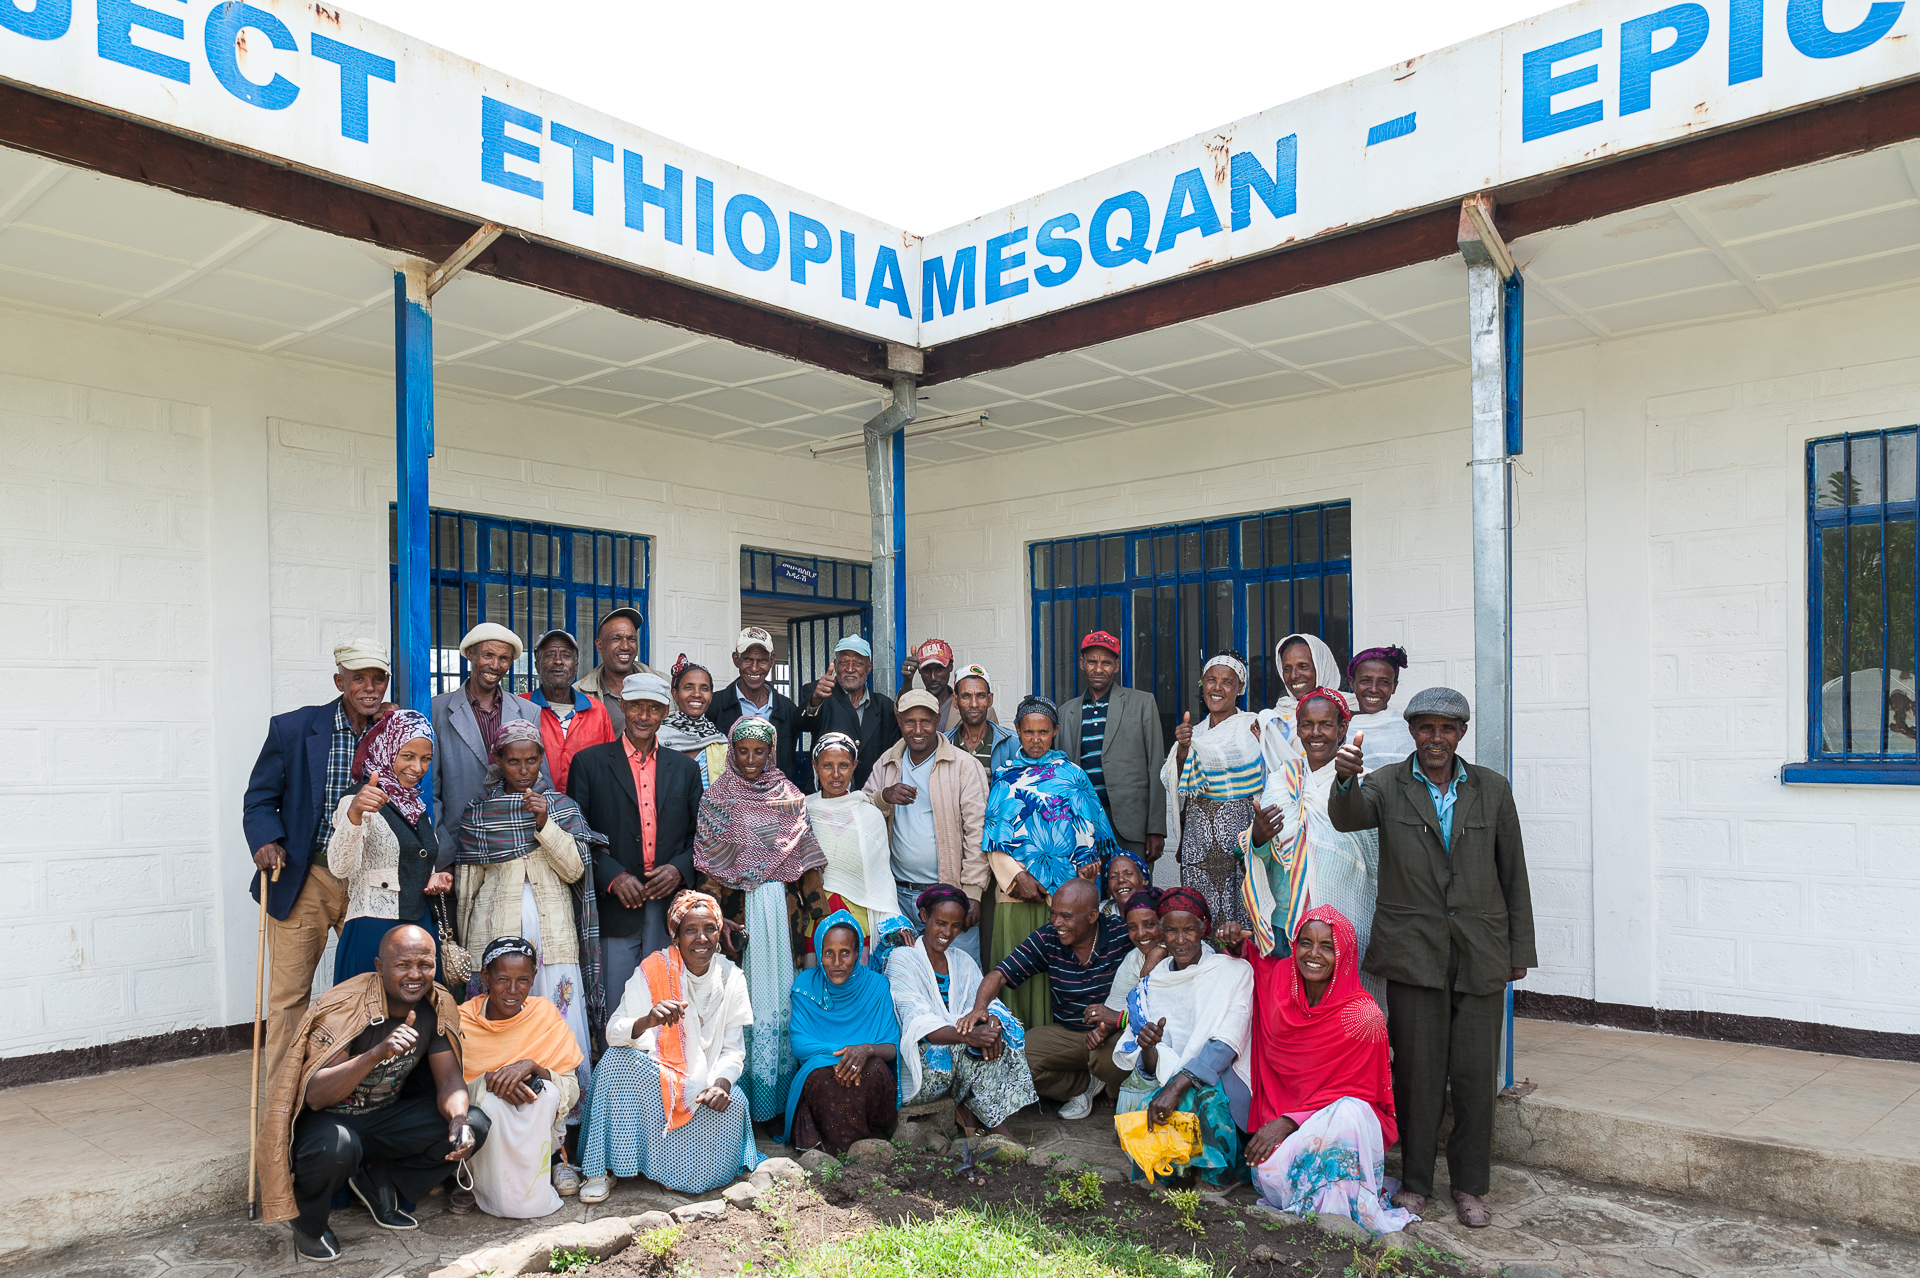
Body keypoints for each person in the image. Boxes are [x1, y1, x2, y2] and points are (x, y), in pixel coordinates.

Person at [1327, 686, 1536, 1230]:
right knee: (1418, 1075)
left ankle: (1469, 1185)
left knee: (1474, 1076)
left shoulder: (1492, 788)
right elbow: (1347, 817)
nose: (1435, 738)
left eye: (1446, 728)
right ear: (1413, 732)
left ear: (1461, 734)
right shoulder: (1385, 784)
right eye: (1426, 728)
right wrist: (1344, 778)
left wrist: (1519, 949)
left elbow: (1513, 871)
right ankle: (1416, 1182)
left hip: (1481, 951)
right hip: (1413, 951)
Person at [260, 925, 483, 1262]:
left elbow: (449, 1081)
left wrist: (458, 1119)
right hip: (329, 1123)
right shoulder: (345, 1007)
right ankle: (309, 1223)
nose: (415, 975)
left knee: (474, 1124)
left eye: (425, 965)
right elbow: (317, 1095)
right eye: (403, 965)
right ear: (380, 967)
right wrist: (376, 1053)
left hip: (382, 1120)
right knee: (339, 1146)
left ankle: (380, 1180)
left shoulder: (437, 1004)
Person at [243, 638, 392, 1079]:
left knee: (372, 987)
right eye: (359, 678)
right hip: (307, 875)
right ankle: (283, 1097)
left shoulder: (395, 729)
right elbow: (259, 799)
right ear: (339, 681)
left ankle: (361, 1087)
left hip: (370, 880)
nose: (370, 688)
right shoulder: (293, 728)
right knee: (289, 995)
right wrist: (266, 840)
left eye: (378, 678)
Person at [1223, 907, 1415, 1239]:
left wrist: (1289, 1121)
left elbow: (1364, 1097)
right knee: (1268, 1171)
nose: (1314, 954)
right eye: (1306, 943)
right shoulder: (1281, 980)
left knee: (1349, 1112)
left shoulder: (1362, 1016)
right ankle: (1326, 1220)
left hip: (1339, 1135)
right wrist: (1236, 945)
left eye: (1328, 946)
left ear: (1345, 954)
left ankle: (1335, 1223)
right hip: (1282, 1152)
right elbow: (1255, 962)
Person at [455, 722, 605, 1138]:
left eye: (532, 760)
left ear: (542, 760)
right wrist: (465, 949)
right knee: (501, 1022)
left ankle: (564, 1131)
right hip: (494, 939)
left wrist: (544, 823)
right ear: (498, 762)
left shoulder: (562, 808)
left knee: (558, 1025)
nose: (523, 769)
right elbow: (467, 887)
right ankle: (501, 1122)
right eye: (514, 761)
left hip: (554, 942)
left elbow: (575, 869)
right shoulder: (481, 813)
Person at [578, 891, 760, 1202]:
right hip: (658, 1075)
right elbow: (614, 1033)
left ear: (719, 934)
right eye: (690, 930)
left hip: (705, 1080)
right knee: (614, 1062)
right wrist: (647, 1021)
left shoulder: (732, 977)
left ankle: (673, 1168)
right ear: (675, 936)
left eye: (710, 929)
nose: (701, 938)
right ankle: (601, 1170)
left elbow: (733, 1051)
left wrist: (721, 1085)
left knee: (736, 1103)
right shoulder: (653, 969)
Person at [692, 718, 829, 1122]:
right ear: (731, 752)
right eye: (743, 751)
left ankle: (782, 1103)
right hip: (738, 921)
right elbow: (710, 870)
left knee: (783, 1001)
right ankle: (739, 1104)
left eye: (759, 751)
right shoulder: (717, 799)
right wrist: (713, 923)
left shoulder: (790, 797)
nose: (751, 759)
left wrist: (822, 920)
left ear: (771, 753)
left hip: (781, 916)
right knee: (737, 1004)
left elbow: (806, 864)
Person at [982, 694, 1118, 1030]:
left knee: (1053, 971)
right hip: (1017, 892)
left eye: (1043, 731)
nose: (1035, 739)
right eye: (1028, 732)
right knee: (1015, 970)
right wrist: (1017, 877)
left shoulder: (1073, 774)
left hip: (1062, 897)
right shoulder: (1004, 775)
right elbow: (993, 837)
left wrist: (1085, 871)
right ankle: (1012, 1040)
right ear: (1017, 731)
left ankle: (1047, 1043)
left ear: (1055, 731)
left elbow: (1089, 830)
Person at [566, 673, 702, 1004]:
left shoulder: (685, 769)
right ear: (623, 706)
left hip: (668, 906)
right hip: (615, 907)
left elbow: (700, 836)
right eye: (637, 706)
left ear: (665, 712)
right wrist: (613, 876)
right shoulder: (589, 764)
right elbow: (576, 836)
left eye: (653, 708)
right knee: (618, 1007)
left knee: (667, 1001)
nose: (644, 716)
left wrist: (679, 869)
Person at [1241, 689, 1383, 1002]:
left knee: (1334, 1009)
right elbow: (1263, 854)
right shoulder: (1283, 779)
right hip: (1285, 923)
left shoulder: (1363, 782)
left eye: (1325, 725)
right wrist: (1259, 838)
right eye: (1306, 725)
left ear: (1342, 729)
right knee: (1285, 1010)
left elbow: (1371, 859)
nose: (1315, 733)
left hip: (1338, 927)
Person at [1111, 887, 1252, 1189]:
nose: (1180, 939)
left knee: (1205, 1098)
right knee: (1153, 1110)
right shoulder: (1153, 982)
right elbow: (1153, 1066)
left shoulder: (1232, 972)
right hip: (1170, 1080)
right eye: (1171, 931)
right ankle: (1181, 1173)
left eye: (1189, 930)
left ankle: (1216, 1176)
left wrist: (1176, 1088)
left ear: (1204, 929)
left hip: (1221, 1078)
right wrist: (1148, 1046)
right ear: (1161, 933)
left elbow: (1226, 1043)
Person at [962, 877, 1129, 1121]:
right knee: (1016, 1062)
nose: (1056, 922)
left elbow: (1155, 947)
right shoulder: (1049, 937)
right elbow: (999, 975)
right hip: (1068, 1033)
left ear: (1093, 916)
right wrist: (979, 1008)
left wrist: (1157, 952)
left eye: (1066, 916)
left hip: (1112, 1033)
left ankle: (1110, 1086)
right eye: (1053, 914)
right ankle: (1085, 1086)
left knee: (1114, 1057)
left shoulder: (1120, 932)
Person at [888, 885, 1038, 1138]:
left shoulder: (963, 960)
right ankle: (996, 1127)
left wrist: (991, 1024)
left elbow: (987, 1004)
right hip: (924, 1070)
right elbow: (919, 1023)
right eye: (940, 923)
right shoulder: (902, 959)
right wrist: (971, 1036)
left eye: (956, 926)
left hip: (958, 1056)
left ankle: (978, 1113)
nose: (947, 933)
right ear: (924, 916)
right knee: (968, 1046)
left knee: (1001, 1033)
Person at [458, 937, 585, 1213]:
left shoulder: (544, 1015)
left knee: (544, 1093)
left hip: (535, 1124)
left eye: (523, 980)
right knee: (492, 1105)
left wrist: (535, 1069)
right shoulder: (462, 1021)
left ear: (534, 978)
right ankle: (481, 1186)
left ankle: (536, 1187)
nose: (513, 990)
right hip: (484, 1129)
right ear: (485, 977)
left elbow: (571, 1089)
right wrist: (491, 1082)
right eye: (502, 979)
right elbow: (449, 1091)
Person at [864, 690, 989, 963]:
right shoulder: (887, 763)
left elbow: (978, 831)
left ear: (938, 719)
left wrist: (972, 892)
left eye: (926, 721)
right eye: (910, 721)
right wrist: (884, 797)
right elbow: (861, 814)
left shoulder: (964, 765)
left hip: (950, 896)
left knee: (959, 973)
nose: (918, 730)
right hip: (898, 896)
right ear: (899, 721)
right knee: (904, 972)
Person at [326, 709, 449, 983]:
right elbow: (340, 867)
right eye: (408, 756)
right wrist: (355, 814)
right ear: (387, 749)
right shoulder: (357, 800)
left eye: (426, 758)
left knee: (419, 1006)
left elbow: (410, 859)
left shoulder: (415, 805)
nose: (418, 768)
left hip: (420, 928)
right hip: (374, 931)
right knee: (371, 1005)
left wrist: (433, 878)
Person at [783, 911, 902, 1154]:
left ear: (857, 953)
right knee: (822, 1076)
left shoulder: (876, 986)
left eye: (845, 952)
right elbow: (800, 1044)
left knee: (873, 1069)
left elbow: (891, 1047)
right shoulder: (806, 984)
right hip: (823, 1071)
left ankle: (841, 1149)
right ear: (819, 953)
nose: (837, 962)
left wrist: (866, 1051)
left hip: (867, 1072)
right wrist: (849, 1055)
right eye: (829, 953)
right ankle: (851, 1152)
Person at [432, 623, 549, 869]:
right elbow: (431, 791)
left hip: (516, 847)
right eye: (487, 655)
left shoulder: (528, 711)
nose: (495, 665)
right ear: (470, 654)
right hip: (459, 847)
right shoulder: (436, 710)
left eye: (504, 658)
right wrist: (444, 855)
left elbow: (541, 781)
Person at [1160, 653, 1263, 931]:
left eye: (1227, 682)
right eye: (1211, 680)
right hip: (1199, 839)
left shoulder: (1253, 726)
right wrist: (1183, 750)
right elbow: (1176, 781)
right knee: (1200, 914)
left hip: (1240, 838)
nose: (1217, 688)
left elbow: (1264, 772)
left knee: (1241, 915)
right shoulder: (1195, 733)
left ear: (1240, 688)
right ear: (1202, 684)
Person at [1058, 631, 1167, 870]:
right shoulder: (1066, 712)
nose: (1098, 669)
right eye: (1092, 662)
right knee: (1087, 890)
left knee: (1133, 889)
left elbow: (1156, 766)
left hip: (1130, 825)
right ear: (1081, 663)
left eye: (1106, 663)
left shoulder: (1142, 703)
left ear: (1116, 666)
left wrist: (1156, 828)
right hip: (1082, 824)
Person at [805, 732, 912, 960]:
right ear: (815, 766)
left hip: (858, 920)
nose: (836, 774)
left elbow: (881, 879)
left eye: (843, 765)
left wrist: (893, 921)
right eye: (827, 766)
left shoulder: (869, 815)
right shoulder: (803, 812)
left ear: (854, 766)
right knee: (814, 977)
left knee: (855, 975)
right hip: (814, 915)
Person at [710, 627, 809, 790]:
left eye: (762, 660)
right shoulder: (715, 706)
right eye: (748, 659)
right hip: (729, 798)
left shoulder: (787, 709)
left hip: (775, 799)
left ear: (772, 660)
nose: (755, 668)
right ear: (736, 659)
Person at [797, 635, 900, 790]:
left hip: (870, 795)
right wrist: (815, 699)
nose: (850, 669)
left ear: (869, 667)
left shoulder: (884, 706)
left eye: (858, 663)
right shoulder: (818, 692)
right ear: (835, 664)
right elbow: (802, 724)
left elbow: (894, 752)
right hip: (826, 795)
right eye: (844, 662)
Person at [524, 629, 614, 793]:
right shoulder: (521, 707)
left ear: (576, 667)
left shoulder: (597, 710)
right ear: (537, 665)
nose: (558, 661)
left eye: (566, 655)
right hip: (532, 805)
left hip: (586, 807)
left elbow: (610, 766)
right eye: (550, 655)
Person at [1255, 633, 1350, 771]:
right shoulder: (1277, 717)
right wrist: (1266, 744)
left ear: (1321, 667)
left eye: (1303, 666)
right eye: (1287, 669)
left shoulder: (1348, 712)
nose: (1294, 675)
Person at [575, 607, 656, 738]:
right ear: (600, 646)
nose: (625, 646)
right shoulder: (578, 694)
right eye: (616, 639)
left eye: (631, 639)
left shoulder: (665, 686)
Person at [659, 653, 729, 787]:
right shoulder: (657, 737)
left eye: (704, 689)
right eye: (688, 687)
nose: (697, 694)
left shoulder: (720, 743)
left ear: (711, 696)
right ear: (675, 694)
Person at [1345, 645, 1415, 774]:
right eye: (1365, 680)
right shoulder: (1340, 729)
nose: (1373, 689)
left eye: (1383, 682)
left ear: (1394, 687)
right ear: (1352, 683)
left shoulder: (1406, 731)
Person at [946, 663, 1018, 774]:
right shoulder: (944, 743)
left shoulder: (1012, 744)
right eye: (966, 696)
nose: (974, 704)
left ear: (990, 700)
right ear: (955, 701)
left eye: (980, 696)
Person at [898, 637, 974, 733]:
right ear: (919, 671)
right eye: (926, 670)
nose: (933, 677)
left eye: (939, 669)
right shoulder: (917, 703)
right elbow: (902, 709)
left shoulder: (966, 705)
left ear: (950, 667)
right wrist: (907, 681)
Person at [1100, 848, 1152, 918]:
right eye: (1113, 876)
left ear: (1144, 880)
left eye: (1128, 874)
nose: (1121, 880)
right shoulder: (1100, 913)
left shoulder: (1157, 911)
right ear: (1108, 889)